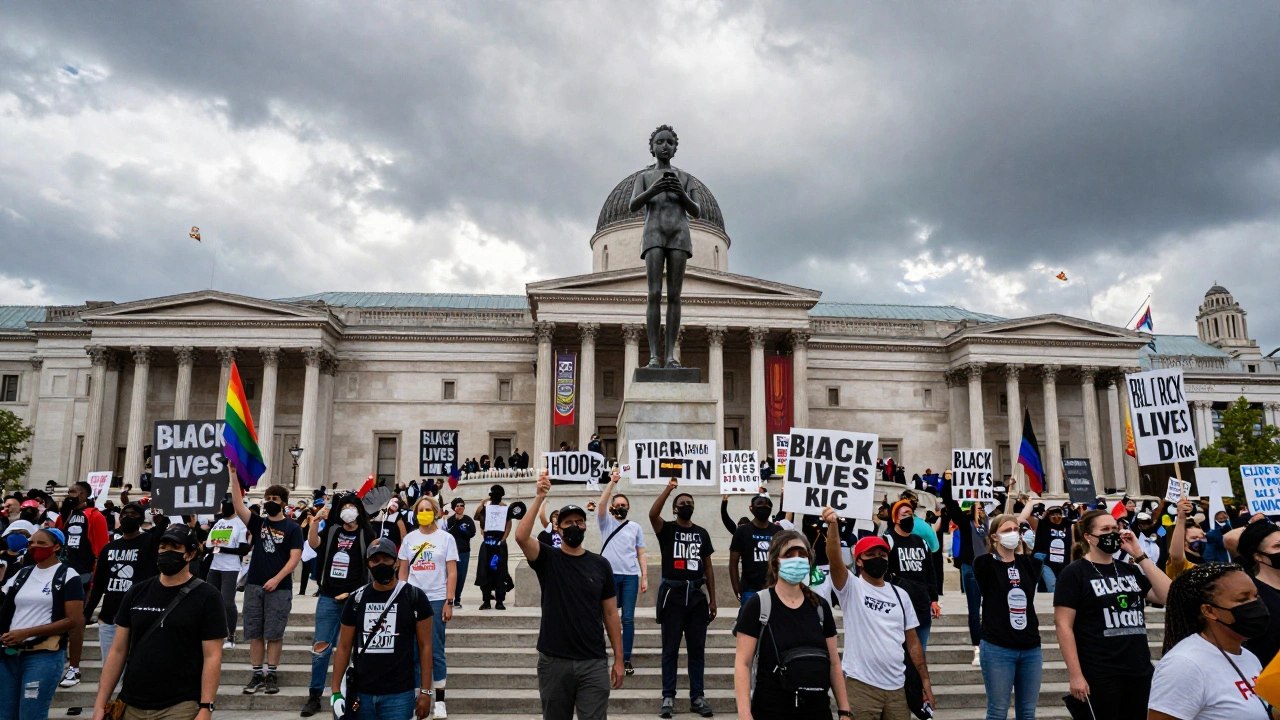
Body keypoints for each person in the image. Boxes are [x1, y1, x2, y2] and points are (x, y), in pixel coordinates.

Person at [516, 472, 625, 720]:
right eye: (568, 523)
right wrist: (539, 496)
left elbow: (610, 614)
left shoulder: (600, 565)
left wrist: (619, 659)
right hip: (554, 661)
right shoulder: (548, 558)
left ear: (586, 526)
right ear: (558, 527)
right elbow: (521, 537)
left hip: (593, 662)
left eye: (579, 521)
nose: (574, 526)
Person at [90, 524, 226, 720]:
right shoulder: (137, 592)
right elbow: (117, 651)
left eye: (174, 548)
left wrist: (206, 708)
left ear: (191, 553)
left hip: (179, 706)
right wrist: (100, 705)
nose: (166, 552)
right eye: (163, 547)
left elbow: (212, 656)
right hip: (131, 703)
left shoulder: (208, 596)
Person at [1054, 509, 1171, 719]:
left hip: (1138, 670)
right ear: (1089, 537)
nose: (1113, 534)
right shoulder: (1074, 573)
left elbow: (1168, 595)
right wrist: (1076, 675)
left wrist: (1139, 555)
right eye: (1105, 529)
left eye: (1115, 529)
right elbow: (1064, 625)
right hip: (1101, 672)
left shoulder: (1129, 570)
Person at [825, 509, 933, 720]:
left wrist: (925, 681)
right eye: (871, 555)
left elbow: (913, 644)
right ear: (859, 561)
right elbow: (835, 560)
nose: (878, 558)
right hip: (861, 686)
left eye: (882, 555)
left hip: (897, 689)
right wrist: (833, 526)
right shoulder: (851, 588)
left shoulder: (901, 595)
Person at [732, 530, 850, 720]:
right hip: (771, 711)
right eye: (789, 554)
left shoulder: (820, 607)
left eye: (802, 554)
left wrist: (844, 711)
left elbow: (834, 663)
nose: (797, 559)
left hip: (817, 712)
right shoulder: (758, 604)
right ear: (775, 561)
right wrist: (745, 714)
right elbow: (743, 663)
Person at [1149, 562, 1272, 720]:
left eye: (1255, 596)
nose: (1255, 605)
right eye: (1242, 599)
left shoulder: (1249, 658)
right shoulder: (1184, 665)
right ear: (1209, 610)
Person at [330, 538, 435, 720]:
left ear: (396, 562)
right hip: (361, 693)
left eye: (386, 559)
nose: (381, 564)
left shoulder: (414, 597)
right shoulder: (356, 599)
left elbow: (425, 646)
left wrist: (425, 692)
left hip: (399, 694)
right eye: (375, 560)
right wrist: (336, 691)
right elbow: (344, 647)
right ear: (368, 563)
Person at [229, 471, 304, 696]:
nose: (270, 502)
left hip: (279, 588)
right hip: (254, 586)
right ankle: (256, 673)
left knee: (274, 633)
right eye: (267, 499)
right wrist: (233, 475)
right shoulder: (257, 524)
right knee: (254, 632)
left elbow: (295, 558)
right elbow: (237, 503)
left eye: (274, 499)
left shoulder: (293, 528)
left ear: (283, 503)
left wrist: (277, 578)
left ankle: (271, 673)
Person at [301, 492, 375, 716]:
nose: (348, 510)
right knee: (321, 648)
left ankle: (351, 692)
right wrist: (314, 523)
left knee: (356, 648)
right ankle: (315, 695)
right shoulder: (333, 530)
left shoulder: (365, 532)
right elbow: (314, 544)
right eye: (345, 506)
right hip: (328, 596)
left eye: (352, 506)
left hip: (356, 598)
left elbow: (374, 559)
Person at [649, 478, 717, 718]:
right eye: (682, 503)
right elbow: (652, 514)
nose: (686, 505)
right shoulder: (667, 529)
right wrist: (669, 489)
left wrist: (712, 598)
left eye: (690, 502)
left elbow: (708, 567)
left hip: (696, 597)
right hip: (673, 597)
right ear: (675, 508)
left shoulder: (702, 533)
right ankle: (668, 696)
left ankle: (697, 697)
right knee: (670, 650)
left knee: (697, 650)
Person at [0, 528, 84, 719]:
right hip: (10, 655)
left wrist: (27, 632)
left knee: (31, 714)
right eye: (31, 543)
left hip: (43, 656)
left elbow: (73, 620)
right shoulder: (23, 573)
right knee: (5, 714)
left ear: (56, 547)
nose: (34, 547)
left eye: (41, 543)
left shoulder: (68, 575)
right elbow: (6, 607)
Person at [973, 513, 1043, 720]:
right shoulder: (985, 564)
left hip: (1030, 647)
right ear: (994, 537)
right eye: (1006, 531)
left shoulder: (1031, 565)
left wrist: (1019, 546)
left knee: (1027, 712)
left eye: (1016, 530)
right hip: (998, 647)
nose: (1013, 534)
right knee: (997, 711)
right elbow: (988, 568)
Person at [83, 503, 164, 671]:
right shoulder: (109, 548)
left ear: (141, 520)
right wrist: (87, 613)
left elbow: (161, 536)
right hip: (110, 618)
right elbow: (98, 584)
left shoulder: (149, 543)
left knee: (137, 667)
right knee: (111, 668)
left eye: (133, 514)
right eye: (125, 514)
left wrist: (160, 520)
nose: (128, 516)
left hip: (139, 616)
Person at [400, 496, 458, 719]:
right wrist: (402, 596)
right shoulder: (409, 539)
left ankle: (440, 700)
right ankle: (418, 698)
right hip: (413, 598)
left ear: (435, 511)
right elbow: (403, 571)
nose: (424, 513)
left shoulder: (446, 538)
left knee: (435, 650)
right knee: (413, 651)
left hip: (436, 599)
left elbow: (452, 571)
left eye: (428, 509)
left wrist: (449, 600)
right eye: (420, 510)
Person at [55, 480, 109, 689]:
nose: (71, 495)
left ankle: (74, 668)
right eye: (69, 491)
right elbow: (57, 540)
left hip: (83, 574)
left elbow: (101, 547)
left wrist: (96, 573)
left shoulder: (95, 516)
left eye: (75, 492)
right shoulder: (65, 515)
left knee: (76, 620)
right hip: (62, 571)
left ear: (85, 495)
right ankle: (60, 659)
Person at [597, 468, 647, 675]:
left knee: (627, 619)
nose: (621, 508)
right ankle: (601, 654)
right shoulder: (606, 523)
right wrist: (612, 482)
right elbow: (600, 505)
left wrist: (644, 575)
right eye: (617, 505)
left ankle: (625, 658)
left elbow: (641, 552)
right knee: (608, 617)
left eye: (624, 506)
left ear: (629, 508)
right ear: (612, 508)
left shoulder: (635, 527)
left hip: (630, 577)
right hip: (609, 577)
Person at [940, 479, 990, 665]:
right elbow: (951, 503)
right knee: (974, 610)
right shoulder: (964, 521)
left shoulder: (987, 523)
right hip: (971, 569)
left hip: (989, 569)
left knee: (991, 609)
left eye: (982, 505)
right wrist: (950, 482)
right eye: (978, 505)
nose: (980, 508)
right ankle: (977, 647)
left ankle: (989, 643)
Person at [883, 499, 940, 650]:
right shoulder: (888, 540)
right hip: (898, 605)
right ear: (895, 518)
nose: (909, 517)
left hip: (921, 604)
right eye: (904, 514)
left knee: (920, 650)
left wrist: (933, 599)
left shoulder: (921, 542)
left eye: (911, 514)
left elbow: (930, 572)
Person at [1227, 519, 1280, 667]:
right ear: (1257, 555)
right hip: (1265, 674)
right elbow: (1229, 538)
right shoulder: (1249, 592)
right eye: (1277, 546)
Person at [205, 501, 248, 651]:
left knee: (227, 601)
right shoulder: (218, 523)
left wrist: (223, 549)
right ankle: (212, 632)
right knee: (210, 600)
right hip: (215, 567)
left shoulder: (240, 524)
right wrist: (215, 548)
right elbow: (209, 545)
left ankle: (230, 634)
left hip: (231, 568)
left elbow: (243, 549)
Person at [728, 494, 782, 607]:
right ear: (751, 508)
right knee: (750, 623)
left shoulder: (778, 531)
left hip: (775, 588)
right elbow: (733, 563)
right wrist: (736, 587)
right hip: (750, 590)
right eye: (760, 504)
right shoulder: (742, 531)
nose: (764, 507)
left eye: (768, 505)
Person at [474, 485, 511, 610]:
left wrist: (503, 540)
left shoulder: (505, 509)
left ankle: (499, 600)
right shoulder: (486, 508)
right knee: (484, 572)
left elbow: (508, 525)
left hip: (500, 543)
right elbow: (477, 517)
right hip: (487, 543)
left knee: (501, 572)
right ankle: (486, 600)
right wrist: (484, 503)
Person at [1028, 503, 1072, 592]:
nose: (1056, 516)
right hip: (1047, 563)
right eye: (1053, 514)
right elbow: (1028, 517)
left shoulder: (1068, 526)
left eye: (1058, 513)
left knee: (1064, 589)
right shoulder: (1042, 525)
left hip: (1064, 564)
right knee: (1053, 589)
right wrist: (1031, 503)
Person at [444, 498, 475, 609]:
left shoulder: (468, 520)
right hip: (451, 553)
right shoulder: (449, 521)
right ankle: (449, 598)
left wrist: (465, 530)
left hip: (463, 552)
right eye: (457, 505)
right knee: (450, 576)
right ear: (454, 508)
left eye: (462, 505)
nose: (460, 507)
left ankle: (457, 599)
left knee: (461, 576)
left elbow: (472, 533)